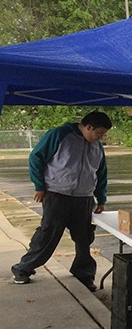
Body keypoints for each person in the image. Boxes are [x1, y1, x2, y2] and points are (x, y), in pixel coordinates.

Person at [11, 110, 112, 291]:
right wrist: (39, 186)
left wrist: (101, 198)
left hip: (84, 198)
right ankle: (23, 268)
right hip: (57, 195)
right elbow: (36, 157)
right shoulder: (60, 135)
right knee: (48, 235)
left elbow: (101, 173)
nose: (100, 137)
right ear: (88, 127)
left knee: (84, 238)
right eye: (99, 133)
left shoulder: (97, 146)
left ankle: (84, 274)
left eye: (103, 134)